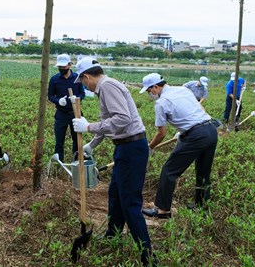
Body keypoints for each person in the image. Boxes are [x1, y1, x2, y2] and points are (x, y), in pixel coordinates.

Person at [71, 57, 155, 266]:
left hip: (132, 148)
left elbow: (122, 119)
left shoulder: (107, 86)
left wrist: (89, 126)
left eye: (82, 82)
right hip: (124, 148)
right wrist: (92, 144)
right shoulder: (104, 89)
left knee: (130, 203)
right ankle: (113, 234)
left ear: (87, 77)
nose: (84, 86)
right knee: (115, 194)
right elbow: (108, 122)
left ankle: (148, 257)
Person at [139, 73, 218, 219]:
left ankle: (163, 210)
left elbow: (161, 133)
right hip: (210, 130)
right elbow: (198, 109)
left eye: (149, 91)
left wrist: (150, 147)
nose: (150, 94)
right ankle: (202, 207)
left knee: (169, 171)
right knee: (203, 172)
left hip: (196, 135)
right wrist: (184, 130)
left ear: (156, 87)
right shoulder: (183, 90)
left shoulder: (161, 103)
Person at [47, 54, 85, 162]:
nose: (62, 69)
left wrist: (77, 98)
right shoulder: (54, 79)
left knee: (77, 140)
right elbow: (50, 96)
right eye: (60, 67)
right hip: (61, 114)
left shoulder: (77, 78)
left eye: (64, 67)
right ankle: (59, 164)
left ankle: (76, 162)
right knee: (59, 141)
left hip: (75, 113)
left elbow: (82, 93)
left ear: (69, 65)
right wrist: (58, 100)